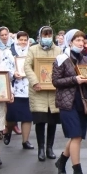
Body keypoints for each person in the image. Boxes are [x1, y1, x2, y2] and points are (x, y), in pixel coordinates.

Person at [52, 29, 87, 174]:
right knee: (75, 136)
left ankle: (62, 161)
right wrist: (75, 79)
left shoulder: (85, 60)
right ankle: (77, 172)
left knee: (78, 136)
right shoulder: (61, 59)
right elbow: (56, 82)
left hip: (81, 102)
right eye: (77, 41)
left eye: (83, 41)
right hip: (67, 102)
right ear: (70, 42)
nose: (81, 44)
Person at [25, 26, 61, 161]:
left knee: (52, 121)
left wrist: (57, 81)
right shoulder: (33, 49)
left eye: (49, 35)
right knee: (40, 121)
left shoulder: (58, 50)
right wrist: (35, 81)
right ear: (40, 36)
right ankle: (41, 148)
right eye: (44, 35)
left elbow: (62, 66)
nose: (47, 37)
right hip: (38, 91)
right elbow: (27, 66)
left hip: (53, 91)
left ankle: (49, 148)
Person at [3, 31, 34, 149]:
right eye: (21, 39)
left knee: (27, 116)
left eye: (25, 40)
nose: (23, 42)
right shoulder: (9, 52)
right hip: (14, 89)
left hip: (28, 89)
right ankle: (8, 131)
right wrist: (13, 73)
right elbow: (4, 68)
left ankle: (25, 141)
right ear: (16, 40)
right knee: (12, 115)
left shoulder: (31, 52)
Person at [0, 26, 21, 135]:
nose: (4, 37)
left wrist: (17, 71)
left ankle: (12, 124)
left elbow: (19, 60)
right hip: (0, 77)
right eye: (2, 35)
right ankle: (3, 125)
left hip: (14, 78)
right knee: (2, 103)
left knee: (12, 102)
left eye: (6, 34)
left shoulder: (14, 46)